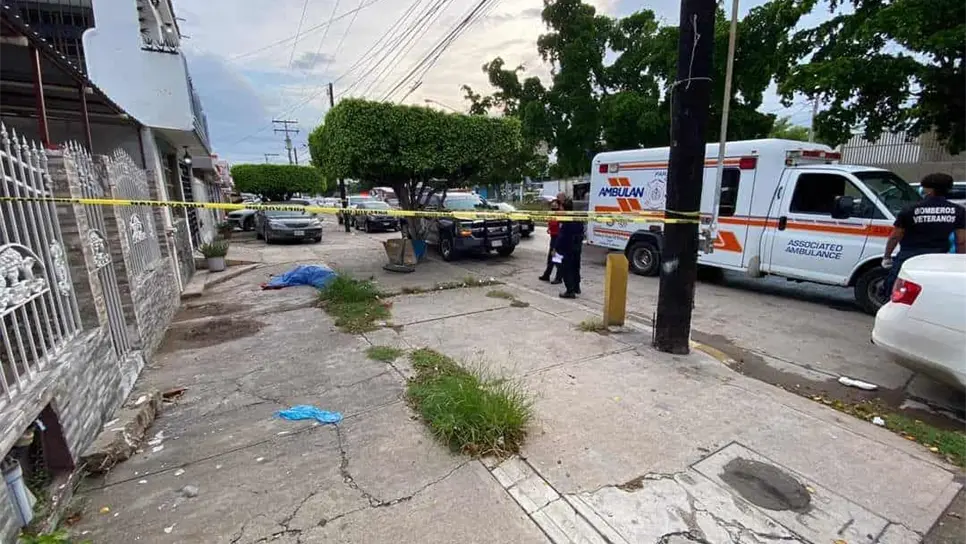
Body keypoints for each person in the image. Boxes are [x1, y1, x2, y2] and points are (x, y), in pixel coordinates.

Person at [883, 172, 966, 294]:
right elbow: (962, 241)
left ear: (929, 190)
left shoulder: (910, 209)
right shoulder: (958, 211)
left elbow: (895, 237)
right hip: (939, 259)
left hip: (909, 257)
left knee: (896, 290)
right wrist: (959, 262)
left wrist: (887, 257)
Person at [555, 198, 584, 298]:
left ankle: (570, 290)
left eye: (560, 207)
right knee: (576, 267)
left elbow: (562, 236)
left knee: (566, 268)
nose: (559, 209)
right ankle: (576, 287)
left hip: (567, 248)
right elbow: (581, 231)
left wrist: (556, 248)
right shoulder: (576, 217)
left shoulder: (566, 219)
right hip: (576, 247)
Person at [538, 199, 563, 284]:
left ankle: (559, 277)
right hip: (553, 237)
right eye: (552, 205)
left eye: (555, 205)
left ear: (558, 206)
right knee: (550, 258)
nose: (553, 206)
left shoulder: (560, 214)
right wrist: (549, 229)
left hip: (557, 237)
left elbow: (560, 227)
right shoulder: (552, 213)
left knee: (556, 257)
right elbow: (551, 223)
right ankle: (547, 275)